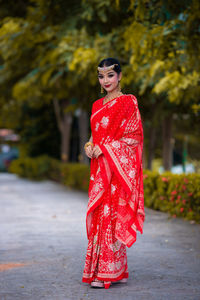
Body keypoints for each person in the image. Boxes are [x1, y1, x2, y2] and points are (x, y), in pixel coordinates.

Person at [82, 58, 145, 289]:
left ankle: (107, 272)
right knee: (99, 216)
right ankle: (101, 269)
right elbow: (94, 135)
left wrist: (107, 149)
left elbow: (133, 138)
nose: (106, 80)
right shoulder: (97, 105)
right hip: (99, 169)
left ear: (119, 76)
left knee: (111, 216)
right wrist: (88, 146)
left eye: (110, 75)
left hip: (115, 169)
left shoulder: (128, 102)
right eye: (101, 76)